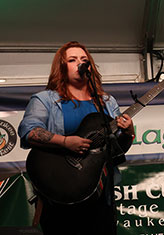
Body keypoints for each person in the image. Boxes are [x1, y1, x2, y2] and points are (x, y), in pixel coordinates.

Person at [18, 41, 135, 235]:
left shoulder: (106, 102)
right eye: (72, 60)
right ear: (61, 67)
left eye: (84, 59)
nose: (79, 63)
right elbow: (29, 132)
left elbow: (116, 149)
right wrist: (65, 142)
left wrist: (129, 131)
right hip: (59, 190)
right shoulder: (45, 99)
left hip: (99, 193)